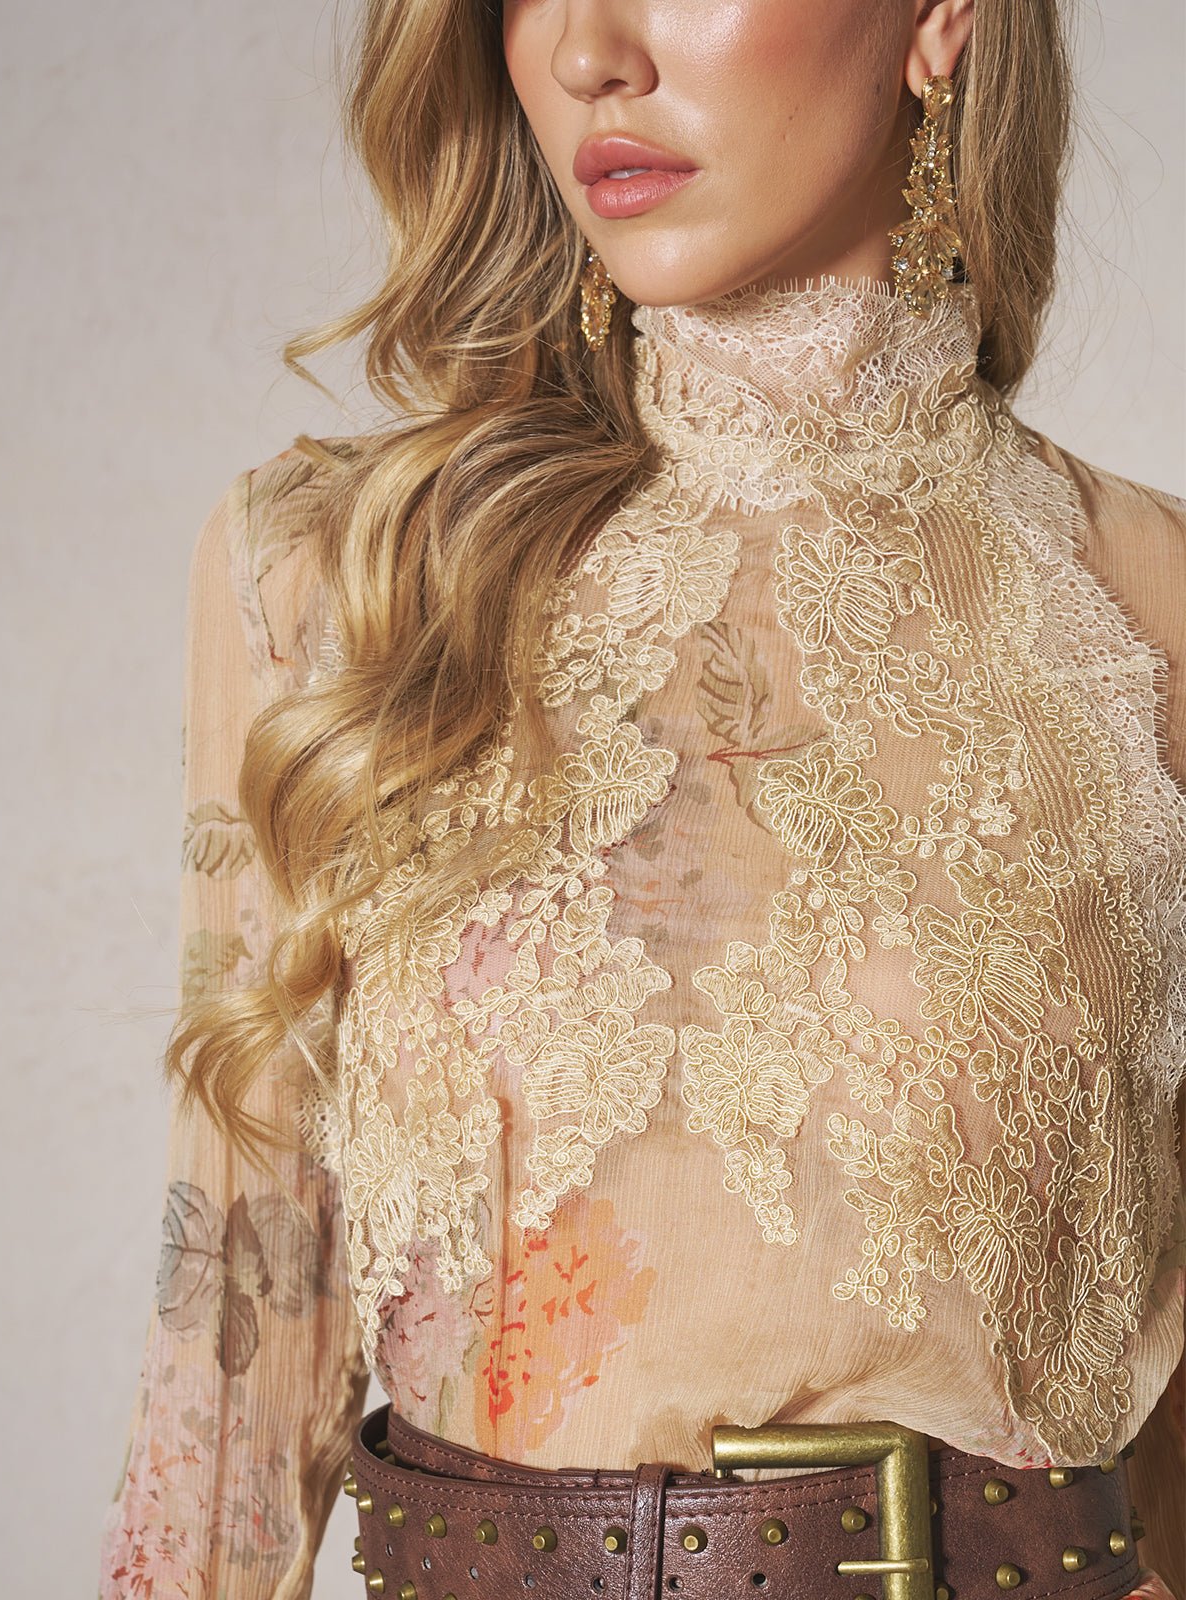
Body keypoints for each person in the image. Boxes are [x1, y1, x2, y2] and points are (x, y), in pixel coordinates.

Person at [99, 1, 1186, 1596]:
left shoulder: (1147, 611)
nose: (585, 52)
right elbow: (235, 1339)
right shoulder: (343, 576)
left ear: (941, 19)